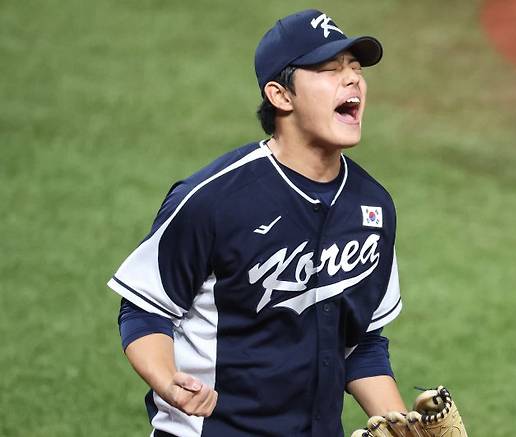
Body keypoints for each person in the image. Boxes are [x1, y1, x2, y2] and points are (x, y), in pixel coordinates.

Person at [109, 9, 405, 436]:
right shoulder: (213, 199)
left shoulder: (373, 207)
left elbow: (362, 346)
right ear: (281, 96)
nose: (352, 79)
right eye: (328, 69)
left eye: (356, 69)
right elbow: (143, 309)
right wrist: (166, 380)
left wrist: (402, 429)